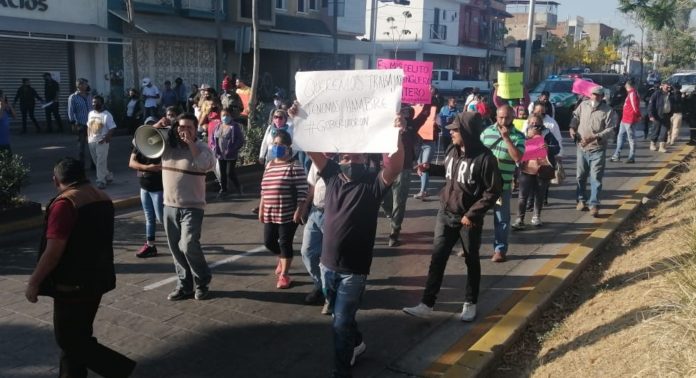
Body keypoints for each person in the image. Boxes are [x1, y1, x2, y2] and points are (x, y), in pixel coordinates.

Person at [293, 107, 406, 377]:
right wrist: (299, 118)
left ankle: (341, 371)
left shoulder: (373, 183)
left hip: (354, 271)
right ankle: (357, 344)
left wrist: (397, 135)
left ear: (365, 156)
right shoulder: (331, 175)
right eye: (346, 153)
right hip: (327, 266)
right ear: (340, 156)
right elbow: (312, 150)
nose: (351, 157)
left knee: (340, 323)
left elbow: (396, 164)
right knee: (340, 318)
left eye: (356, 153)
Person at [24, 157, 137, 378]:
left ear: (56, 180)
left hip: (72, 284)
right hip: (98, 278)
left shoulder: (65, 204)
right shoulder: (102, 197)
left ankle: (120, 369)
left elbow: (53, 252)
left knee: (68, 339)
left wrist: (34, 282)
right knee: (79, 336)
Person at [402, 112, 502, 321]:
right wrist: (430, 168)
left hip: (468, 220)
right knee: (437, 258)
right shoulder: (452, 150)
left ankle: (470, 303)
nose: (452, 133)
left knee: (471, 260)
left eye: (456, 130)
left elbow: (493, 191)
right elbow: (450, 171)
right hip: (445, 213)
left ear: (467, 132)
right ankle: (427, 304)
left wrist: (472, 214)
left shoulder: (485, 159)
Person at [157, 113, 216, 301]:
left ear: (196, 128)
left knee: (188, 244)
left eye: (189, 127)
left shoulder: (201, 147)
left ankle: (202, 281)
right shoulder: (167, 146)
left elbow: (205, 165)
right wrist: (157, 126)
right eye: (181, 127)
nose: (184, 131)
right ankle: (184, 285)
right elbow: (140, 143)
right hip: (169, 205)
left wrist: (191, 144)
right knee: (175, 248)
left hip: (193, 206)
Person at [258, 130, 307, 289]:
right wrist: (261, 208)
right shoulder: (270, 165)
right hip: (270, 212)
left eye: (280, 144)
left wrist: (299, 210)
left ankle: (285, 275)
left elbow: (302, 191)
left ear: (288, 147)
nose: (276, 147)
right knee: (269, 242)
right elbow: (264, 189)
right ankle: (282, 257)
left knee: (285, 243)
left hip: (288, 213)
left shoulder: (294, 166)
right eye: (275, 144)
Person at [480, 105, 525, 263]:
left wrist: (506, 139)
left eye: (507, 117)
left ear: (512, 117)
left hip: (502, 186)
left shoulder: (518, 136)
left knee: (501, 219)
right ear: (496, 117)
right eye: (500, 117)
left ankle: (500, 250)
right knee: (475, 216)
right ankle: (471, 247)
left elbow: (518, 158)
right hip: (483, 185)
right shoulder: (486, 132)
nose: (503, 121)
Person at [383, 104, 429, 247]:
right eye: (399, 112)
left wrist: (429, 97)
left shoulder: (411, 126)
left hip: (404, 169)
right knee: (385, 200)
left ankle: (394, 231)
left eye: (404, 112)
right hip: (385, 168)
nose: (401, 115)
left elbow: (425, 114)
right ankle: (392, 216)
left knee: (399, 201)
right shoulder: (385, 126)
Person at [569, 85, 616, 217]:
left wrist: (595, 137)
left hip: (597, 149)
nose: (595, 97)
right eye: (593, 94)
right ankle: (581, 200)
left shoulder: (608, 111)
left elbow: (611, 129)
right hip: (582, 147)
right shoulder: (583, 105)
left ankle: (594, 203)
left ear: (602, 97)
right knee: (580, 176)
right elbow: (575, 117)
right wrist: (572, 129)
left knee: (596, 178)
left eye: (598, 95)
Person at [512, 115, 560, 230]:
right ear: (528, 123)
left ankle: (536, 217)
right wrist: (527, 139)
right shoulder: (522, 134)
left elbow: (557, 148)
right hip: (526, 169)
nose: (534, 125)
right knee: (523, 196)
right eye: (532, 122)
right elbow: (516, 149)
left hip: (542, 169)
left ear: (541, 124)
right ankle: (520, 219)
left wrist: (548, 147)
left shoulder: (548, 134)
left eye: (537, 123)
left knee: (539, 194)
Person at [129, 117, 164, 258]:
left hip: (158, 188)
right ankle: (150, 246)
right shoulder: (139, 144)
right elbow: (131, 163)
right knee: (149, 218)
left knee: (162, 219)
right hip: (144, 187)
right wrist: (148, 167)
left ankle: (179, 242)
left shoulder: (163, 144)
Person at [299, 161, 329, 310]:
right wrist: (305, 207)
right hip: (315, 211)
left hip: (334, 214)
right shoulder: (318, 160)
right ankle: (319, 285)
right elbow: (311, 186)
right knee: (307, 251)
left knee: (330, 257)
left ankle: (331, 293)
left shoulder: (344, 159)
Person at [213, 108, 245, 198]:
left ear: (231, 116)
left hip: (231, 154)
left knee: (229, 172)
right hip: (220, 154)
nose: (225, 117)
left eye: (227, 115)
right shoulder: (218, 126)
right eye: (223, 115)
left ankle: (238, 186)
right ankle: (224, 190)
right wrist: (215, 147)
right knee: (222, 173)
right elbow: (214, 137)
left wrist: (233, 148)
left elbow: (240, 140)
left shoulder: (234, 126)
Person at [86, 96, 116, 189]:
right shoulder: (90, 113)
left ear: (102, 104)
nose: (94, 104)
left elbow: (112, 128)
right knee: (97, 162)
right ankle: (108, 176)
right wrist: (88, 137)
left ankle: (101, 181)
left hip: (102, 142)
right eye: (93, 102)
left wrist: (106, 138)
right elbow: (88, 126)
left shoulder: (107, 115)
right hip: (91, 141)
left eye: (97, 102)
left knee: (100, 162)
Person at [611, 78, 641, 163]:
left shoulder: (632, 94)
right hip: (625, 119)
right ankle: (616, 155)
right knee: (620, 136)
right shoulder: (630, 93)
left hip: (630, 119)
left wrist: (638, 116)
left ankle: (631, 156)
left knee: (631, 138)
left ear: (627, 85)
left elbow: (635, 107)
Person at [68, 78, 93, 169]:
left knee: (93, 145)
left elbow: (93, 108)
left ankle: (93, 164)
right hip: (81, 124)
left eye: (86, 84)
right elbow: (71, 111)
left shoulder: (89, 95)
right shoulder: (73, 97)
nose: (86, 86)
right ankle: (81, 165)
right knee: (81, 147)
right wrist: (72, 123)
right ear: (79, 85)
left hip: (92, 124)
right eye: (85, 84)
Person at [648, 81, 674, 153]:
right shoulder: (657, 94)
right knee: (656, 130)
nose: (668, 87)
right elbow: (651, 105)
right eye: (667, 86)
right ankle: (653, 144)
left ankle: (662, 147)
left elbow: (673, 104)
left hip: (667, 115)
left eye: (669, 86)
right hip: (658, 115)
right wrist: (651, 115)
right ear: (662, 86)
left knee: (664, 131)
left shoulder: (671, 94)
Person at [0, 90, 17, 155]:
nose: (5, 97)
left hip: (6, 141)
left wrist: (10, 106)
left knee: (9, 162)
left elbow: (15, 116)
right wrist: (2, 106)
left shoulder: (5, 107)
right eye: (3, 96)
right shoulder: (2, 107)